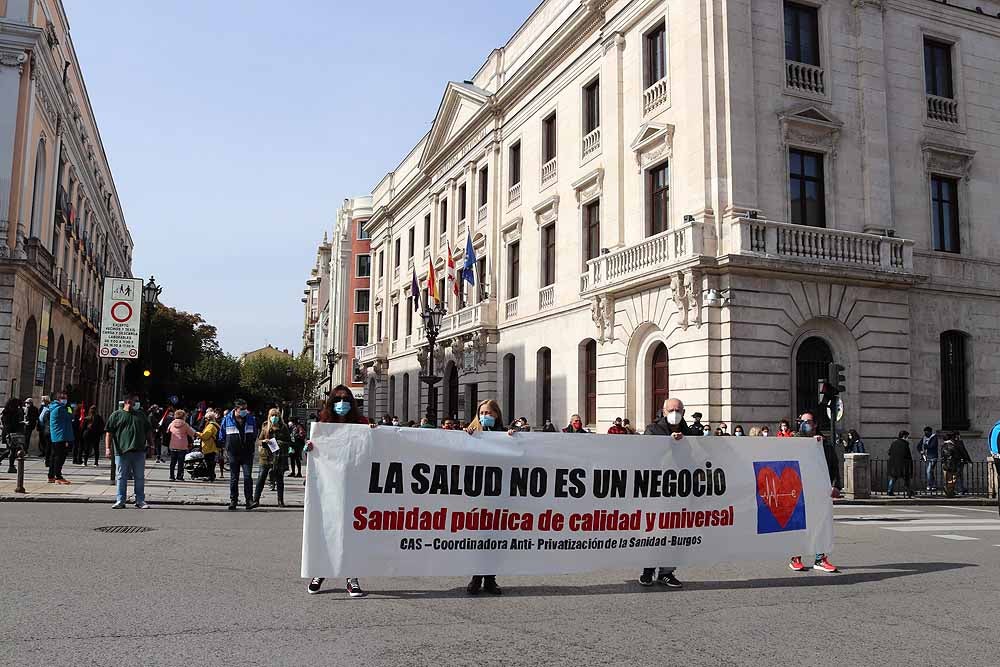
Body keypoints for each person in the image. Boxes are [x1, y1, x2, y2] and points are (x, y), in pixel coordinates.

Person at [306, 385, 370, 598]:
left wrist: (378, 435)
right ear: (331, 402)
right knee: (327, 529)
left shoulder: (361, 423)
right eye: (337, 399)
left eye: (345, 399)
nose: (342, 403)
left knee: (352, 532)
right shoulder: (324, 424)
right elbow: (315, 449)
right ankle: (321, 571)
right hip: (330, 485)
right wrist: (309, 448)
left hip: (355, 485)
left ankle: (352, 577)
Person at [639, 397, 699, 588]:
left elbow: (697, 455)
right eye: (671, 409)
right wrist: (668, 443)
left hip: (681, 490)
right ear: (663, 412)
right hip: (658, 490)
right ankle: (647, 570)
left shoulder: (690, 432)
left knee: (676, 532)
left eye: (678, 410)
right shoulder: (653, 430)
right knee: (655, 531)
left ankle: (667, 571)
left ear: (684, 412)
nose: (675, 413)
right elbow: (646, 454)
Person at [464, 399, 507, 595]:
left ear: (496, 415)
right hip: (478, 495)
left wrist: (514, 439)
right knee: (479, 537)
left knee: (494, 538)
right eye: (482, 412)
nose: (485, 416)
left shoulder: (505, 434)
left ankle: (490, 578)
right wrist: (466, 438)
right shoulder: (470, 433)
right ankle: (476, 577)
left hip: (499, 494)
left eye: (489, 413)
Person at [788, 412, 837, 573]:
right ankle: (795, 557)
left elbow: (833, 466)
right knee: (799, 525)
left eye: (808, 422)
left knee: (820, 525)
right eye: (802, 422)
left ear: (815, 424)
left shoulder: (825, 444)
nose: (805, 424)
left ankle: (820, 559)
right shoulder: (794, 442)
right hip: (798, 491)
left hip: (819, 491)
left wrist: (836, 485)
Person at [104, 396, 155, 509]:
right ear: (127, 402)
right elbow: (109, 432)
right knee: (122, 476)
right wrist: (108, 448)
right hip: (122, 451)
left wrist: (151, 445)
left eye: (135, 402)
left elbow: (148, 431)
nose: (134, 404)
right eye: (133, 402)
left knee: (139, 477)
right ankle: (120, 500)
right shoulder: (116, 415)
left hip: (139, 450)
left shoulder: (141, 415)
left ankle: (140, 500)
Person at [221, 399, 257, 510]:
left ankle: (249, 501)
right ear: (236, 409)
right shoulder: (227, 419)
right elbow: (222, 435)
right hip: (233, 452)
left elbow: (254, 433)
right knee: (234, 478)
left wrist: (251, 445)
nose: (245, 411)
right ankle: (233, 501)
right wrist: (225, 449)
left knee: (247, 477)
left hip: (247, 452)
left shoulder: (251, 419)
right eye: (242, 409)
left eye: (246, 409)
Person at [254, 408, 290, 507]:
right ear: (269, 416)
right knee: (261, 478)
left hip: (279, 457)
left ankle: (280, 501)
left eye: (276, 416)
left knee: (279, 479)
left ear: (279, 417)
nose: (274, 418)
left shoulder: (284, 427)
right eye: (272, 415)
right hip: (266, 456)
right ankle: (255, 500)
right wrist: (264, 441)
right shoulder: (265, 426)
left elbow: (288, 441)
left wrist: (278, 443)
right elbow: (259, 440)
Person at [47, 391, 74, 484]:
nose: (65, 400)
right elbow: (70, 416)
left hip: (56, 436)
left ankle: (51, 476)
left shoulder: (54, 408)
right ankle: (58, 476)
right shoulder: (60, 409)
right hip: (61, 436)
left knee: (54, 456)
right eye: (64, 398)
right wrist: (70, 408)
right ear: (59, 399)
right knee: (60, 457)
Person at [167, 409, 198, 482]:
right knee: (181, 462)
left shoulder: (171, 423)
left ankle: (171, 476)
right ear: (183, 416)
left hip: (173, 445)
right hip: (182, 446)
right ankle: (179, 476)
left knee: (173, 462)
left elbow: (168, 431)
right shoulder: (185, 425)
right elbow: (192, 433)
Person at [0, 397, 25, 472]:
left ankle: (11, 465)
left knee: (11, 449)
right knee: (12, 450)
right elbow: (14, 424)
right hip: (12, 433)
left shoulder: (6, 411)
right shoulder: (13, 412)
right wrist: (21, 424)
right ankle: (11, 466)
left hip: (7, 432)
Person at [887, 431, 913, 497]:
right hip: (903, 464)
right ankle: (908, 492)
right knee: (906, 478)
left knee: (893, 478)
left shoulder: (894, 443)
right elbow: (908, 455)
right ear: (904, 436)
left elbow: (889, 452)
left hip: (894, 464)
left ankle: (889, 490)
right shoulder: (905, 444)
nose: (908, 438)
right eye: (907, 437)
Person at [198, 410, 221, 482]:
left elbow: (205, 436)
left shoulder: (210, 426)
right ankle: (211, 475)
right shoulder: (216, 424)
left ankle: (210, 476)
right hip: (213, 446)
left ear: (209, 418)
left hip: (209, 446)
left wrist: (198, 434)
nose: (204, 420)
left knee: (209, 463)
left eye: (205, 418)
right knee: (211, 462)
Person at [918, 426, 939, 492]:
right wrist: (921, 451)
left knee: (929, 471)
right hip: (926, 457)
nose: (925, 433)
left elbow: (933, 446)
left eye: (926, 432)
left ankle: (929, 485)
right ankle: (934, 485)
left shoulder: (934, 437)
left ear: (930, 432)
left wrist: (925, 446)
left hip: (933, 457)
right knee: (931, 472)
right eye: (925, 432)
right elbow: (918, 446)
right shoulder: (924, 437)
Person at [37, 395, 51, 463]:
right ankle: (43, 451)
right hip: (41, 426)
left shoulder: (49, 407)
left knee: (46, 442)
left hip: (46, 427)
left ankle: (46, 454)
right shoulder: (42, 407)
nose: (42, 402)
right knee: (41, 440)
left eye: (43, 400)